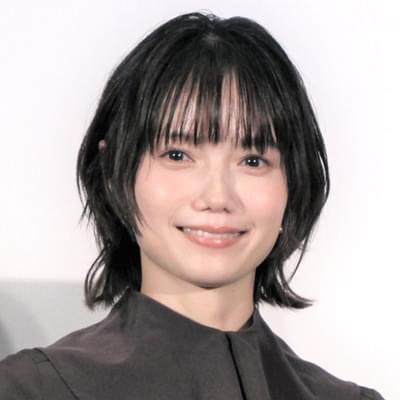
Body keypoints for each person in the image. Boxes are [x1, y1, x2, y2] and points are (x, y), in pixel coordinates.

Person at [0, 11, 385, 400]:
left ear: (295, 183)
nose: (217, 197)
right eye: (178, 155)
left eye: (253, 160)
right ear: (115, 171)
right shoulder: (33, 390)